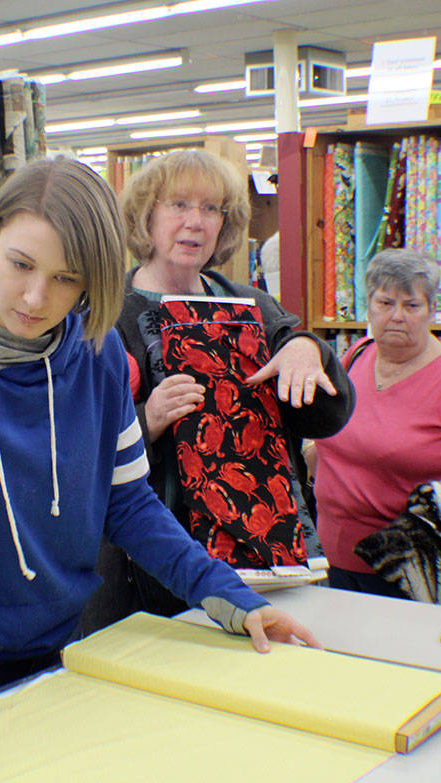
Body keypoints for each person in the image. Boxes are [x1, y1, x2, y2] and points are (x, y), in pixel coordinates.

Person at [0, 157, 320, 783]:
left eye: (66, 278)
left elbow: (131, 505)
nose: (35, 298)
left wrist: (233, 598)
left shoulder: (98, 353)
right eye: (20, 264)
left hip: (63, 654)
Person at [83, 150, 354, 630]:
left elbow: (327, 417)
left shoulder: (251, 305)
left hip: (264, 554)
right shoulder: (106, 316)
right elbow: (76, 451)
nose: (196, 222)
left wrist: (307, 351)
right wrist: (146, 420)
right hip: (153, 570)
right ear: (146, 216)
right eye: (179, 205)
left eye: (211, 209)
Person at [307, 249, 441, 597]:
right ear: (368, 306)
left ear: (431, 310)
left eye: (411, 306)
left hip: (405, 575)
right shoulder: (356, 356)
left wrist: (431, 533)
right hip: (330, 560)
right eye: (385, 303)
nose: (396, 316)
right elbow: (330, 438)